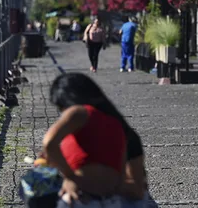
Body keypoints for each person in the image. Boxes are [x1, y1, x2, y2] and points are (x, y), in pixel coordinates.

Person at [46, 73, 157, 208]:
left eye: (62, 108)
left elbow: (137, 189)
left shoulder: (80, 114)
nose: (62, 115)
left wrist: (74, 179)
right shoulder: (115, 126)